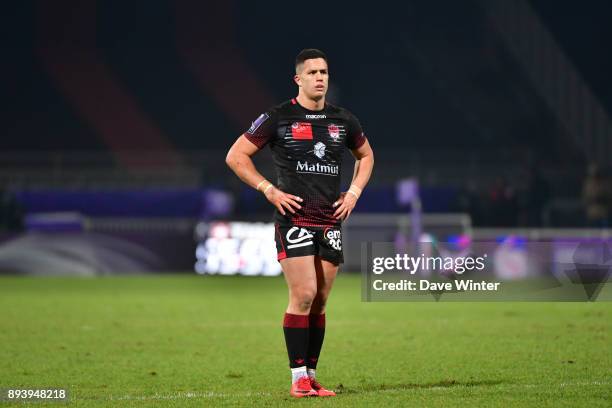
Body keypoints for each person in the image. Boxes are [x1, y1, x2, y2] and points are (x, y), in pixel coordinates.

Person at [225, 49, 374, 398]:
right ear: (299, 79)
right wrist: (267, 189)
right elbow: (236, 156)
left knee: (320, 301)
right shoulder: (279, 117)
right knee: (303, 294)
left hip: (329, 220)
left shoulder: (344, 121)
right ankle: (297, 381)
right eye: (312, 72)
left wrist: (352, 193)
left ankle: (310, 374)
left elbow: (366, 156)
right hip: (294, 217)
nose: (320, 77)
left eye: (324, 72)